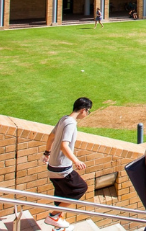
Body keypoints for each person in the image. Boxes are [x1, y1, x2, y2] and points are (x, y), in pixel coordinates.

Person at [41, 98, 92, 229]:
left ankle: (57, 223)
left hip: (52, 168)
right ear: (83, 110)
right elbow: (64, 145)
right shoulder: (71, 124)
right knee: (80, 188)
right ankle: (52, 216)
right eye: (88, 111)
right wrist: (77, 161)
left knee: (62, 196)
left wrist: (46, 153)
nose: (87, 114)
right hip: (62, 169)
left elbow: (50, 137)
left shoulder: (63, 119)